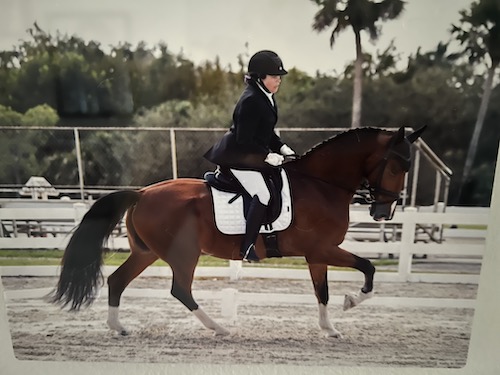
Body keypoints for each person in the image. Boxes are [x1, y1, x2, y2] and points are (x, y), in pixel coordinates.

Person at [204, 50, 296, 263]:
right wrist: (267, 156)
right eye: (274, 76)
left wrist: (282, 148)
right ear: (260, 77)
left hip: (250, 157)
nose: (278, 80)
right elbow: (245, 140)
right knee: (262, 194)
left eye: (279, 76)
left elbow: (265, 132)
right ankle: (247, 246)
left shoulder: (267, 97)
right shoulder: (251, 100)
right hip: (237, 158)